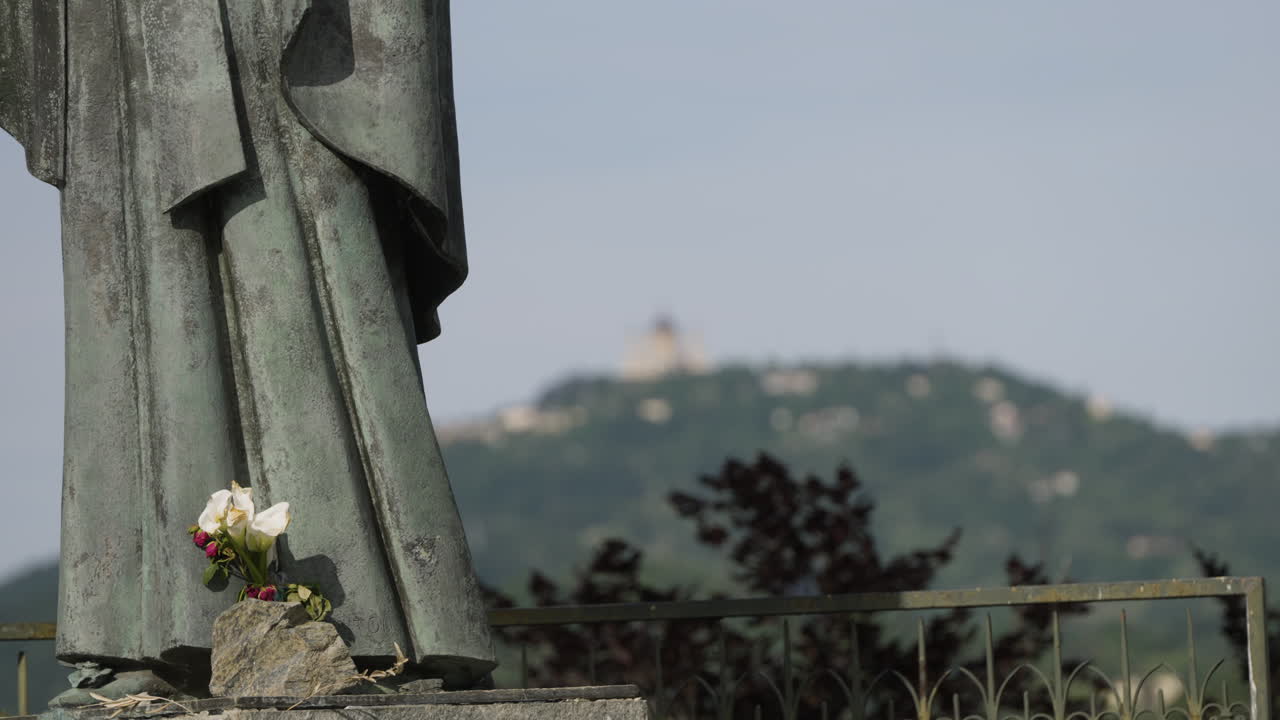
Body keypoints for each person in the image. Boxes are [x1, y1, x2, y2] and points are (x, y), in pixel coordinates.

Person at [0, 0, 495, 700]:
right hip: (123, 40)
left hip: (285, 44)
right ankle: (145, 633)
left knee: (320, 287)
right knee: (146, 310)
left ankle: (374, 630)